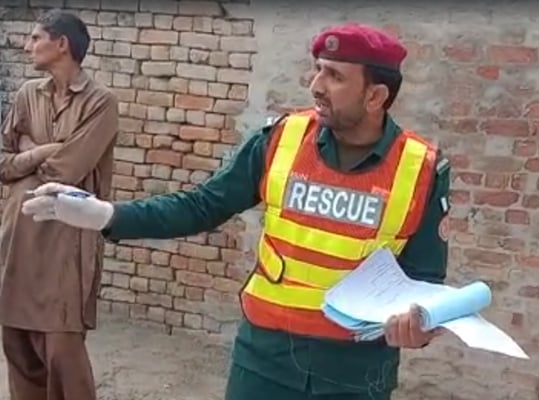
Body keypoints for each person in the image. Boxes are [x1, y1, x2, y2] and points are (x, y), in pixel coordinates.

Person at [22, 22, 452, 400]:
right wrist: (107, 216)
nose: (315, 84)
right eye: (318, 68)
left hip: (356, 374)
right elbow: (202, 205)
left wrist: (420, 323)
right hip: (264, 361)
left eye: (334, 75)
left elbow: (425, 281)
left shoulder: (421, 169)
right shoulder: (282, 139)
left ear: (376, 95)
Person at [0, 10, 118, 400]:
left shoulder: (101, 102)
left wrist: (34, 152)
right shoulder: (26, 95)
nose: (27, 45)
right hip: (18, 234)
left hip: (67, 242)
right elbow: (3, 164)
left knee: (62, 351)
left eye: (36, 38)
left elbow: (67, 170)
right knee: (17, 344)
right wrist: (40, 153)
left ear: (62, 44)